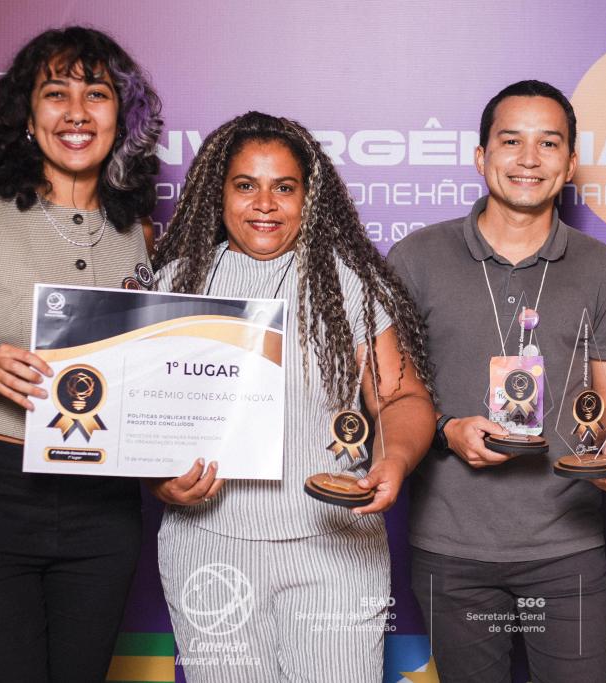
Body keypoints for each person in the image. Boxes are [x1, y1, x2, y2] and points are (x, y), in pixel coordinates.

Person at [148, 111, 435, 683]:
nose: (265, 204)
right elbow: (142, 420)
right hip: (208, 546)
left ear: (309, 197)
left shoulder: (347, 284)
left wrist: (395, 458)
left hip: (333, 545)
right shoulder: (175, 284)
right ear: (218, 193)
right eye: (245, 185)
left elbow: (401, 396)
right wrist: (157, 477)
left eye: (284, 187)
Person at [388, 80, 606, 682]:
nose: (529, 159)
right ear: (481, 156)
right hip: (451, 546)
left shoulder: (604, 270)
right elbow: (391, 393)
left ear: (570, 163)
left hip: (566, 546)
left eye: (549, 143)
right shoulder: (415, 259)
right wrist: (447, 430)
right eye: (511, 141)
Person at [0, 26, 162, 682]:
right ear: (27, 114)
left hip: (104, 506)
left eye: (96, 94)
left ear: (121, 118)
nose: (76, 112)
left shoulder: (142, 235)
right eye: (55, 93)